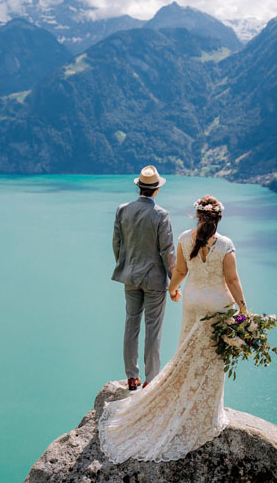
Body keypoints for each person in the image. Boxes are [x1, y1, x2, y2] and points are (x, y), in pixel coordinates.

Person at [98, 194, 248, 463]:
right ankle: (206, 410)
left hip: (192, 303)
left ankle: (152, 384)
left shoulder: (184, 239)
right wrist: (244, 309)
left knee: (186, 350)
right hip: (216, 307)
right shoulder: (225, 244)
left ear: (198, 216)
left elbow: (179, 270)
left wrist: (173, 289)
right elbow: (232, 278)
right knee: (212, 356)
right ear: (218, 218)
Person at [111, 165, 176, 391]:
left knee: (131, 324)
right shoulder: (161, 215)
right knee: (153, 329)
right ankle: (151, 380)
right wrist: (174, 282)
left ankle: (131, 376)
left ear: (139, 187)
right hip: (155, 280)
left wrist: (125, 265)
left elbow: (117, 244)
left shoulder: (122, 210)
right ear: (156, 189)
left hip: (130, 276)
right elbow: (167, 251)